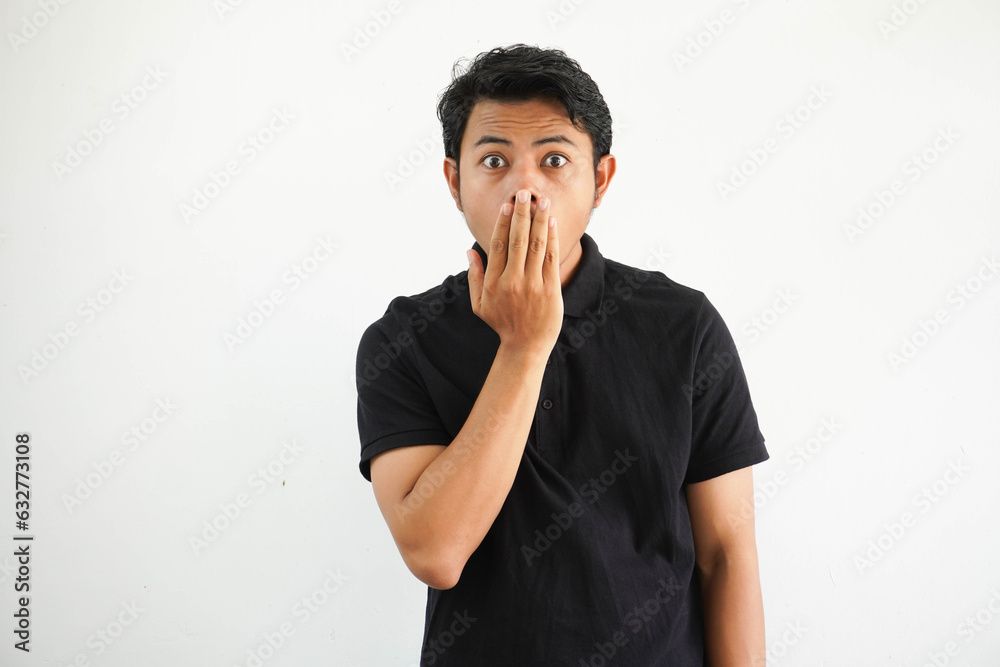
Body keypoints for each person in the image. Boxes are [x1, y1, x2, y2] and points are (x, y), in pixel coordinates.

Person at [355, 43, 769, 667]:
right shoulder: (402, 338)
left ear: (600, 180)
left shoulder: (683, 326)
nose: (526, 189)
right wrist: (524, 346)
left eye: (554, 160)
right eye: (494, 160)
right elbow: (435, 552)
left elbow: (727, 553)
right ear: (454, 181)